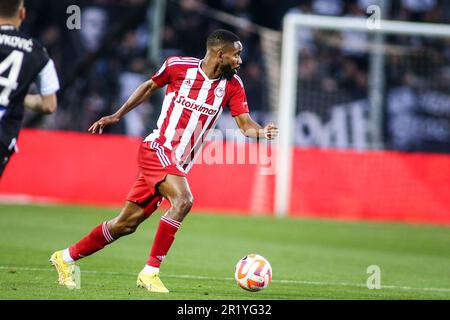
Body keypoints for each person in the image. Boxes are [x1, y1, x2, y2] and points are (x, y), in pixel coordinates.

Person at [50, 29, 278, 292]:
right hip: (157, 148)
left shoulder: (233, 85)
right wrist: (116, 115)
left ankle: (65, 258)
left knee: (125, 224)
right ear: (220, 54)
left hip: (177, 164)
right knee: (184, 201)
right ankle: (150, 273)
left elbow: (245, 124)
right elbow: (149, 86)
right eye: (236, 55)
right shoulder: (178, 67)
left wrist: (261, 133)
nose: (240, 60)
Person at [0, 0, 59, 178]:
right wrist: (21, 97)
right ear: (22, 14)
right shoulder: (38, 52)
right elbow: (49, 105)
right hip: (3, 136)